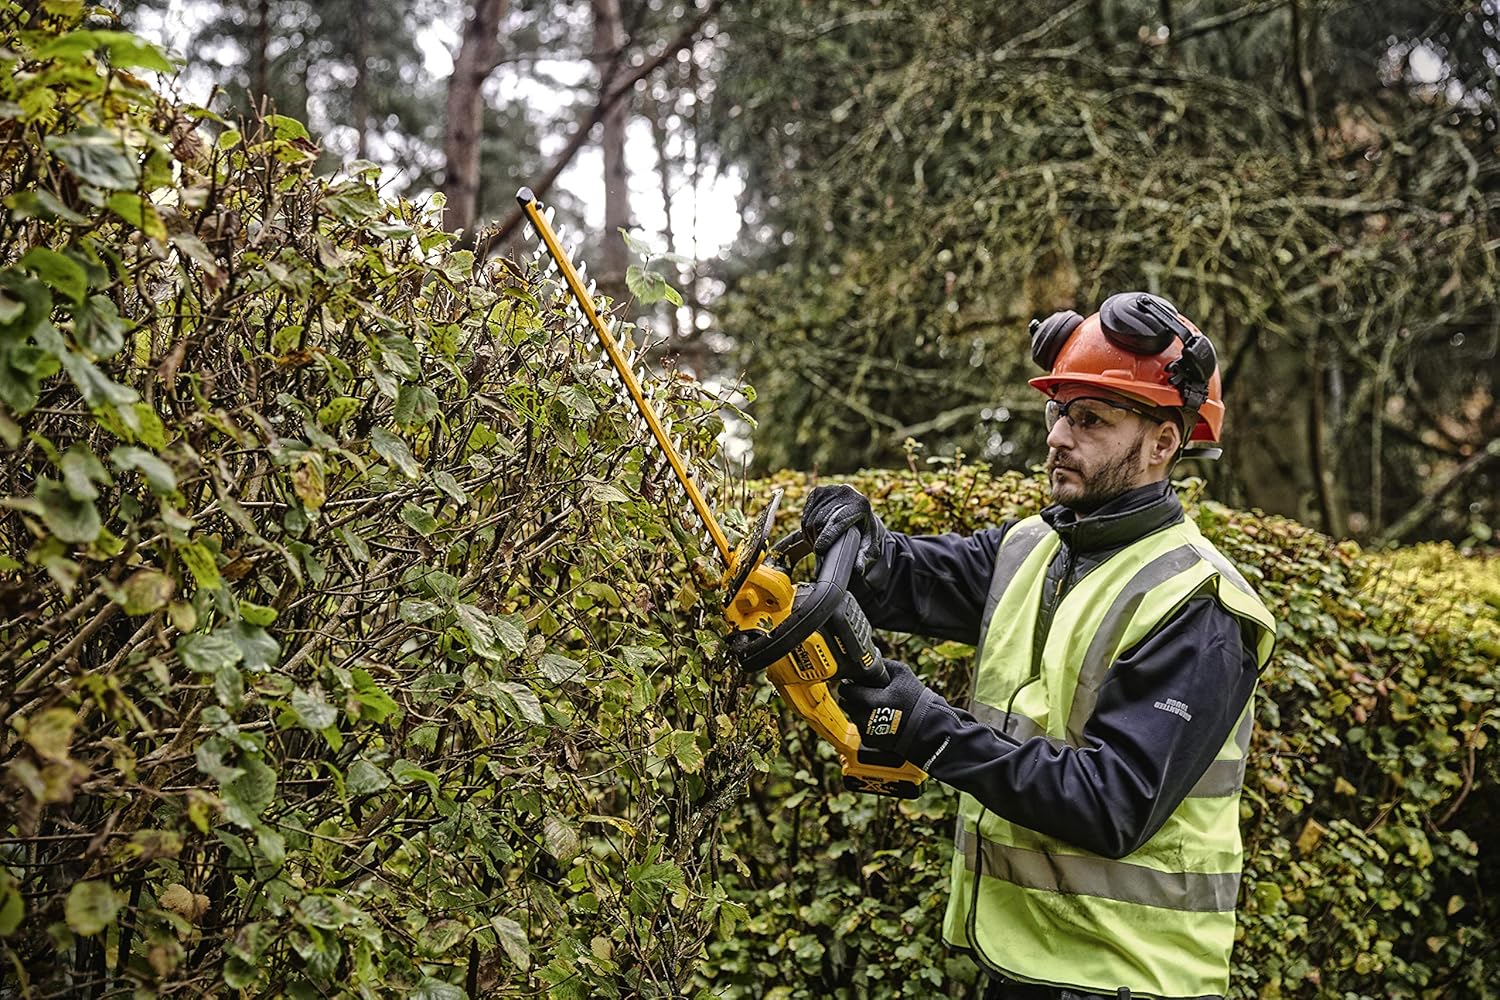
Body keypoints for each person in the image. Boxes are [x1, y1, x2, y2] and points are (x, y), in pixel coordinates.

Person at [799, 292, 1276, 1000]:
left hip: (1129, 978)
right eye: (1058, 412)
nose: (1058, 436)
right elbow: (900, 578)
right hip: (1027, 966)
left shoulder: (1199, 604)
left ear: (1162, 443)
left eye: (1090, 419)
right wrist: (850, 531)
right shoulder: (1034, 549)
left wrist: (928, 729)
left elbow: (1112, 804)